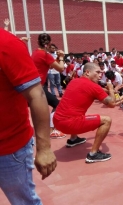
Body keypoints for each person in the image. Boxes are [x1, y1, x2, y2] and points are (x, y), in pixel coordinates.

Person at [0, 28, 56, 204]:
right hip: (37, 86)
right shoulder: (42, 54)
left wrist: (44, 148)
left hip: (9, 147)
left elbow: (37, 95)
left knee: (23, 201)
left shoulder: (9, 44)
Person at [54, 63, 117, 163]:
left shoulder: (74, 81)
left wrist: (109, 90)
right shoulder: (93, 87)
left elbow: (94, 90)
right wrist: (111, 89)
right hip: (69, 124)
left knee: (76, 113)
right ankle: (93, 154)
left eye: (101, 73)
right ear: (87, 72)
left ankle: (73, 139)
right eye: (98, 72)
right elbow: (112, 103)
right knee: (106, 120)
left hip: (57, 121)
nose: (101, 75)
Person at [31, 33, 66, 139]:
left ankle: (47, 130)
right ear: (50, 43)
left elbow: (49, 65)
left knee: (38, 110)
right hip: (39, 86)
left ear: (37, 42)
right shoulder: (46, 55)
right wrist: (61, 57)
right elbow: (60, 68)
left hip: (33, 85)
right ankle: (52, 130)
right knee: (58, 104)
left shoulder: (36, 53)